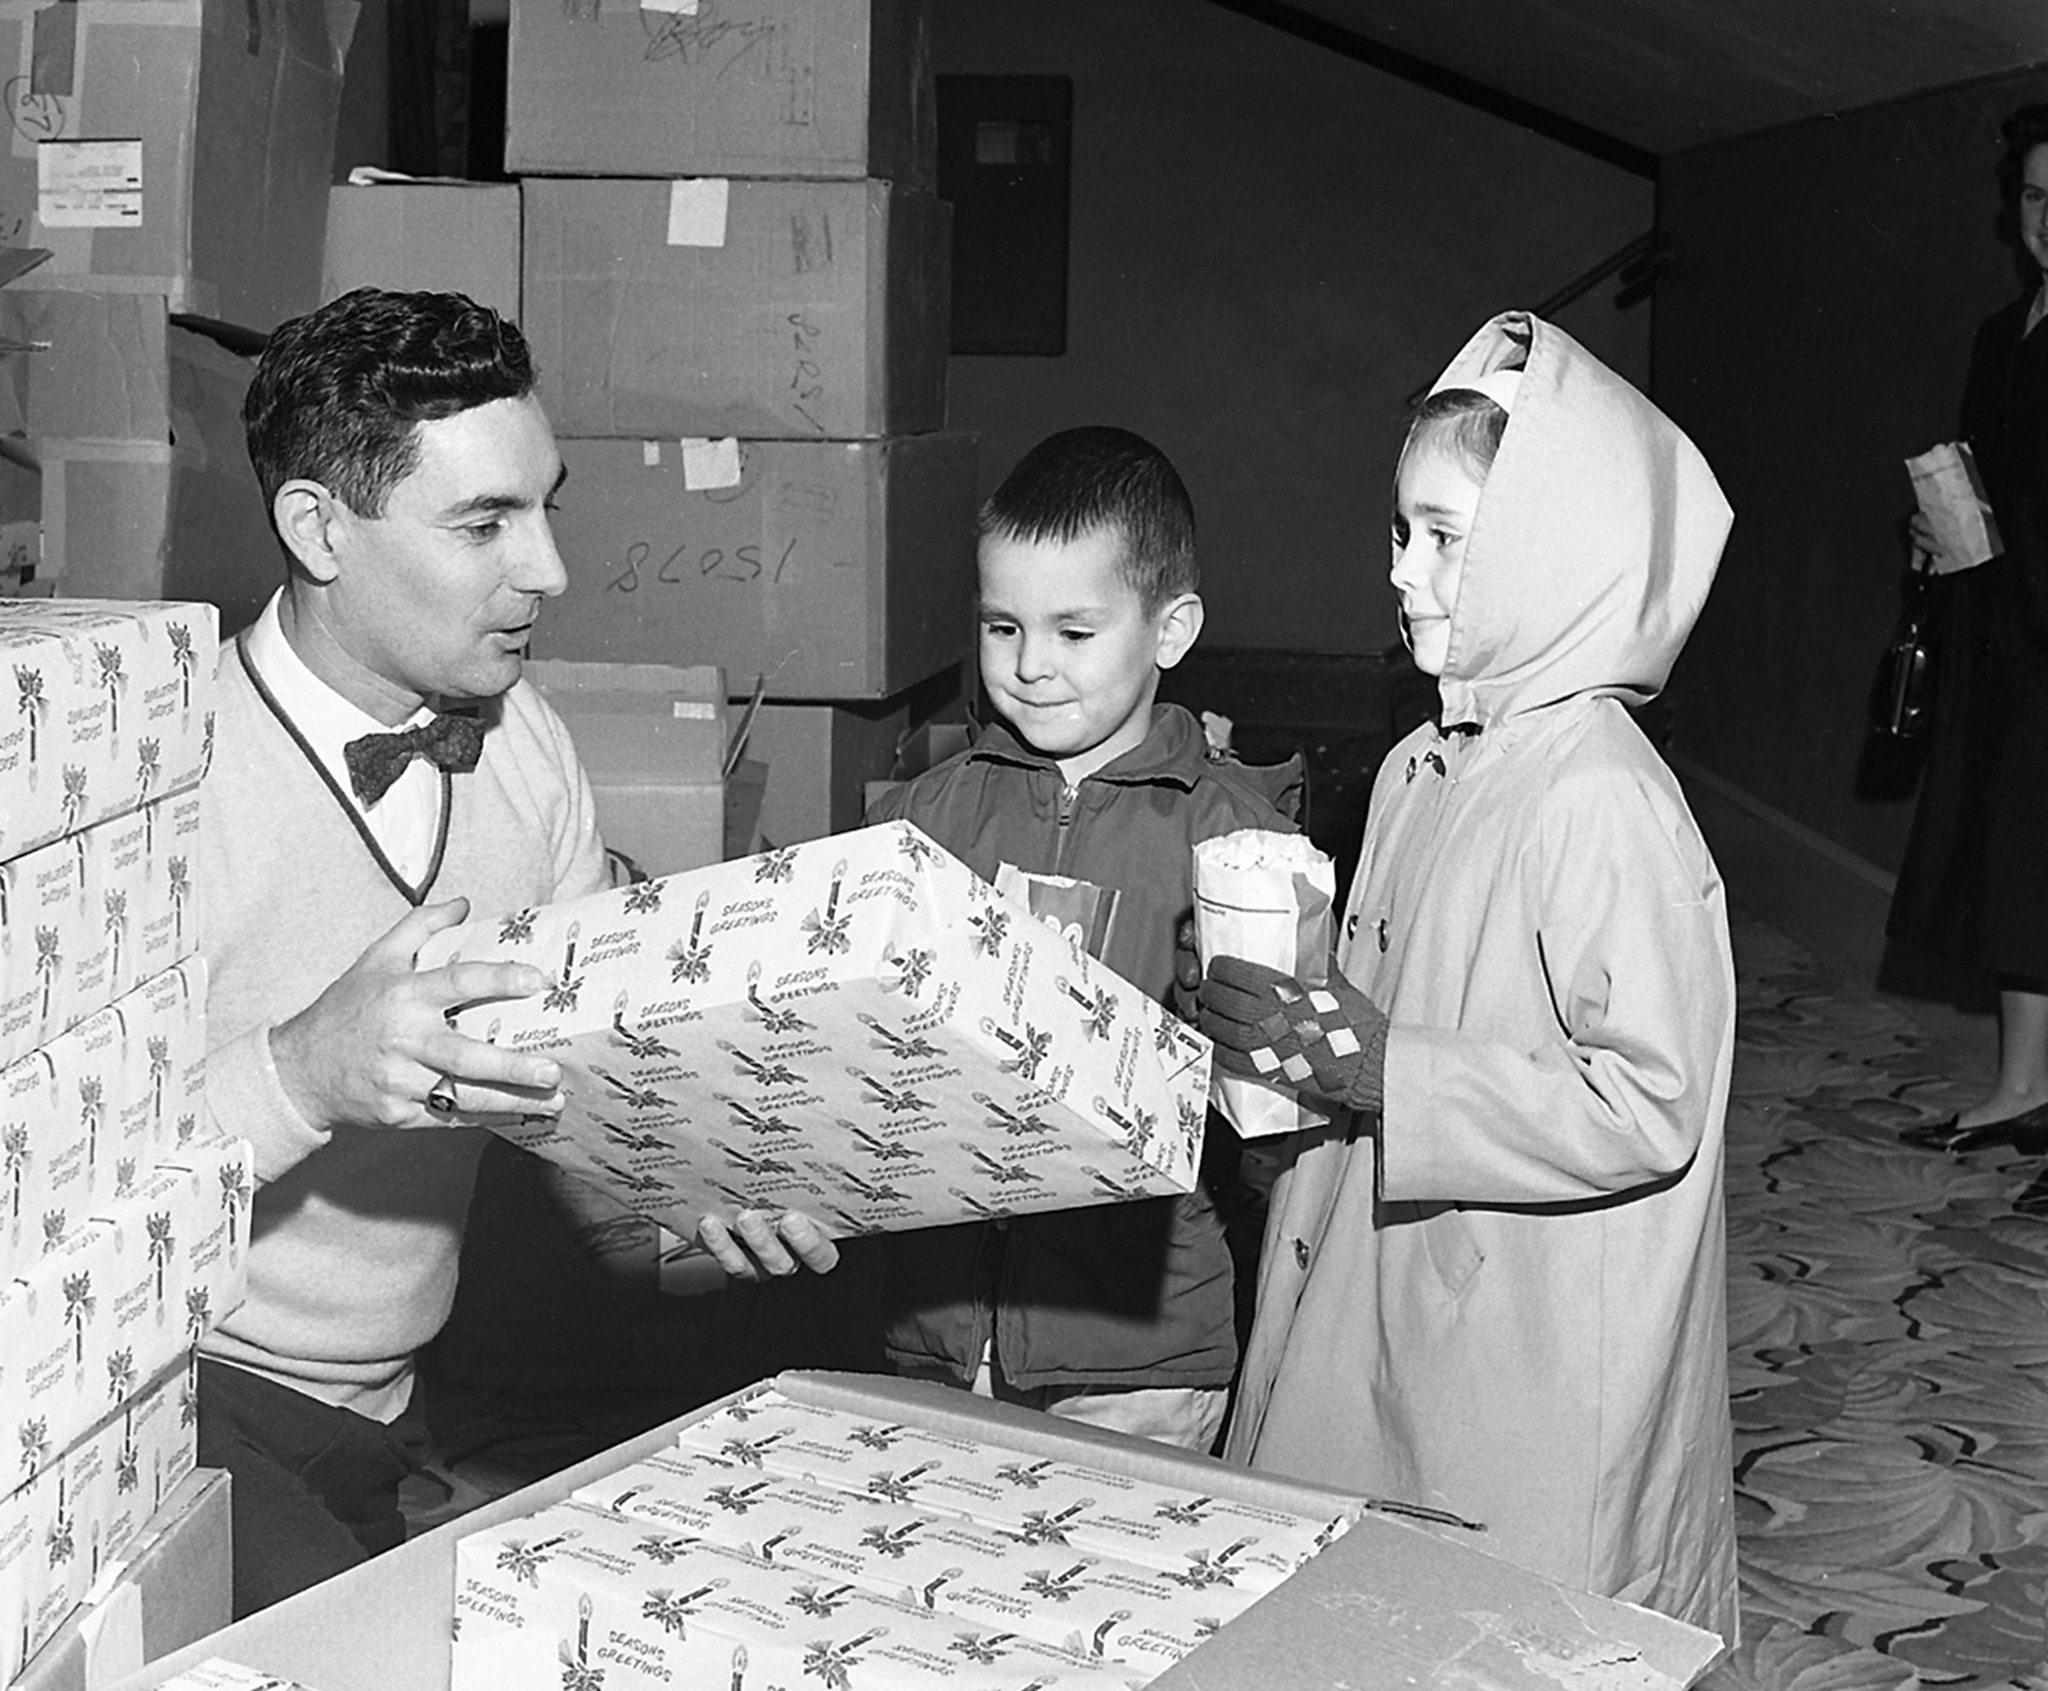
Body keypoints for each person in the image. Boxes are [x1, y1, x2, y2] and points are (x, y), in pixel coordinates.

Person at [198, 287, 836, 1615]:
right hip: (169, 1393)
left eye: (547, 505)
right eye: (484, 521)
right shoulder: (161, 781)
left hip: (387, 1404)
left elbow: (578, 1085)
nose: (546, 566)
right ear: (319, 528)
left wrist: (692, 1187)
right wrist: (305, 1071)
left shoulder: (526, 742)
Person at [1195, 312, 1740, 1637]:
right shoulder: (1421, 761)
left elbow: (1651, 1099)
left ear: (1554, 556)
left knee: (1500, 1622)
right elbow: (1404, 996)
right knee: (1359, 1599)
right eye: (1400, 531)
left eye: (1449, 537)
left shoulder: (1603, 795)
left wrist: (1387, 1065)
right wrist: (1294, 1016)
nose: (1406, 569)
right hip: (1385, 1260)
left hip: (1526, 1333)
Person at [866, 426, 1293, 1452]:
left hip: (1136, 1351)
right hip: (934, 1330)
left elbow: (1276, 1124)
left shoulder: (1235, 834)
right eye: (1001, 627)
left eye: (1072, 632)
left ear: (1169, 628)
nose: (1029, 668)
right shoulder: (925, 817)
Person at [1892, 103, 2048, 1161]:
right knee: (2013, 864)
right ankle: (2022, 1087)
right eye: (2037, 198)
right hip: (2005, 637)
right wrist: (1933, 528)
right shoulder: (2005, 330)